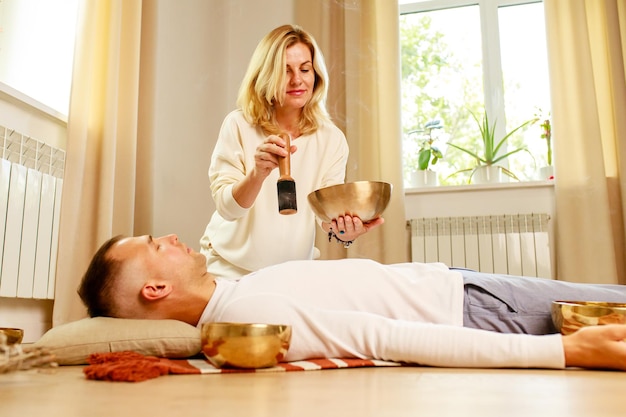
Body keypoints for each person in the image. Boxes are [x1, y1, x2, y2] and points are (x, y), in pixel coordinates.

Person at [78, 233, 626, 371]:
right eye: (155, 246)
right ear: (154, 290)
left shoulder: (237, 292)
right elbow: (387, 339)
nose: (170, 239)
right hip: (475, 311)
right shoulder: (245, 320)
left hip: (464, 290)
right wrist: (566, 352)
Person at [200, 24, 383, 280]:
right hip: (228, 270)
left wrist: (345, 232)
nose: (298, 80)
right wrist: (257, 174)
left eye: (305, 69)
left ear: (316, 74)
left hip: (292, 274)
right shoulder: (239, 125)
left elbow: (326, 218)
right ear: (266, 75)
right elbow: (228, 209)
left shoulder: (331, 139)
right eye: (285, 71)